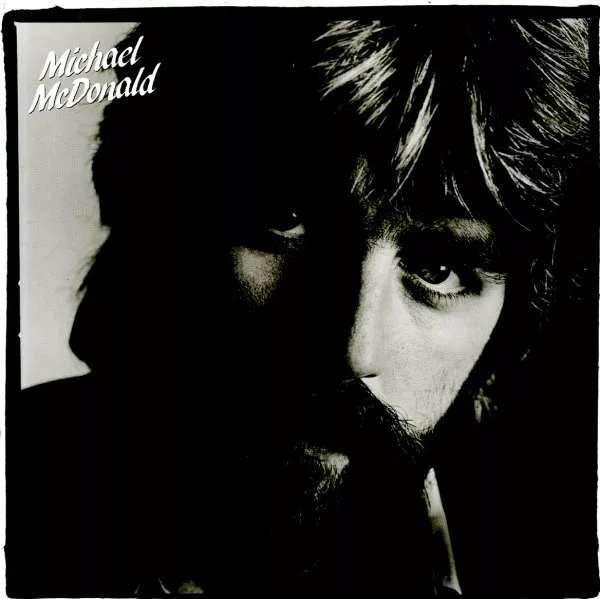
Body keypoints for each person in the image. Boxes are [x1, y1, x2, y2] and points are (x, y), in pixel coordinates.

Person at [7, 13, 597, 598]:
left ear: (507, 330)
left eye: (437, 271)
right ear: (147, 203)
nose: (353, 350)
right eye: (282, 218)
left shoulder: (546, 562)